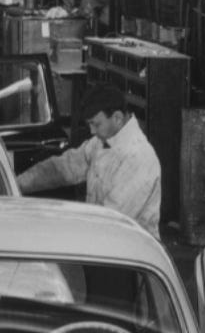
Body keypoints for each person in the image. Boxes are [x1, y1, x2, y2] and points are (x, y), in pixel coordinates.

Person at [20, 100, 163, 238]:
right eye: (89, 124)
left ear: (117, 118)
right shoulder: (102, 140)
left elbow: (111, 220)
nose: (92, 131)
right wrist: (18, 183)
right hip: (103, 239)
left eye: (96, 124)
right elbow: (64, 168)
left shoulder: (138, 156)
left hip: (132, 251)